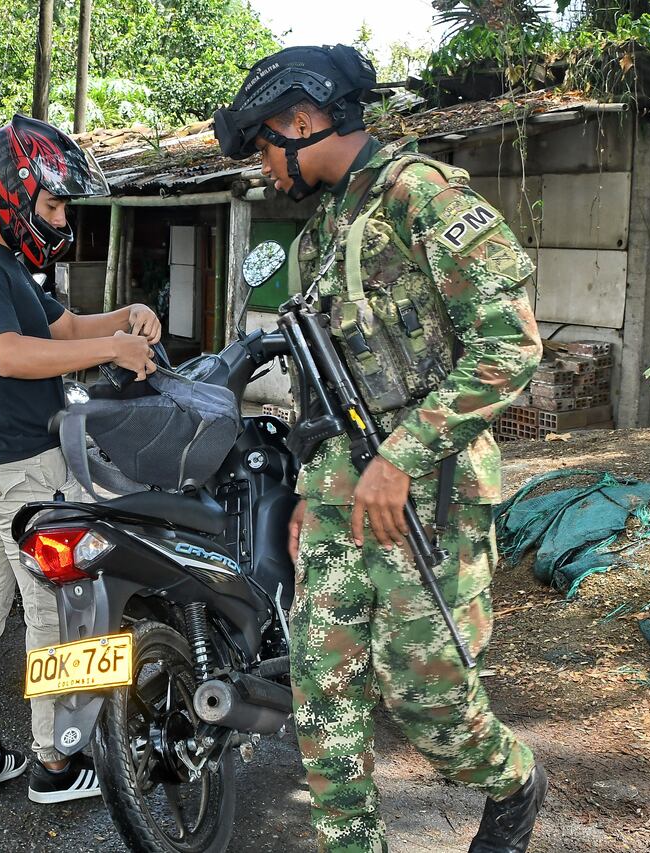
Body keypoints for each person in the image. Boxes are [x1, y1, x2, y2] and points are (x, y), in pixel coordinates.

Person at [215, 45, 547, 853]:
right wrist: (304, 489)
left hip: (424, 496)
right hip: (338, 498)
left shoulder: (419, 195)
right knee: (322, 697)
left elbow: (510, 343)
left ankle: (513, 778)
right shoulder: (323, 230)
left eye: (264, 142)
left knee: (428, 701)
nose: (263, 163)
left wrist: (403, 454)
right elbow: (328, 386)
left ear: (304, 120)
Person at [0, 114, 161, 803]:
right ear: (12, 191)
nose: (61, 216)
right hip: (18, 471)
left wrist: (124, 316)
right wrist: (111, 351)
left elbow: (60, 327)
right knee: (54, 612)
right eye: (55, 202)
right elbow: (8, 354)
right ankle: (54, 763)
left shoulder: (0, 261)